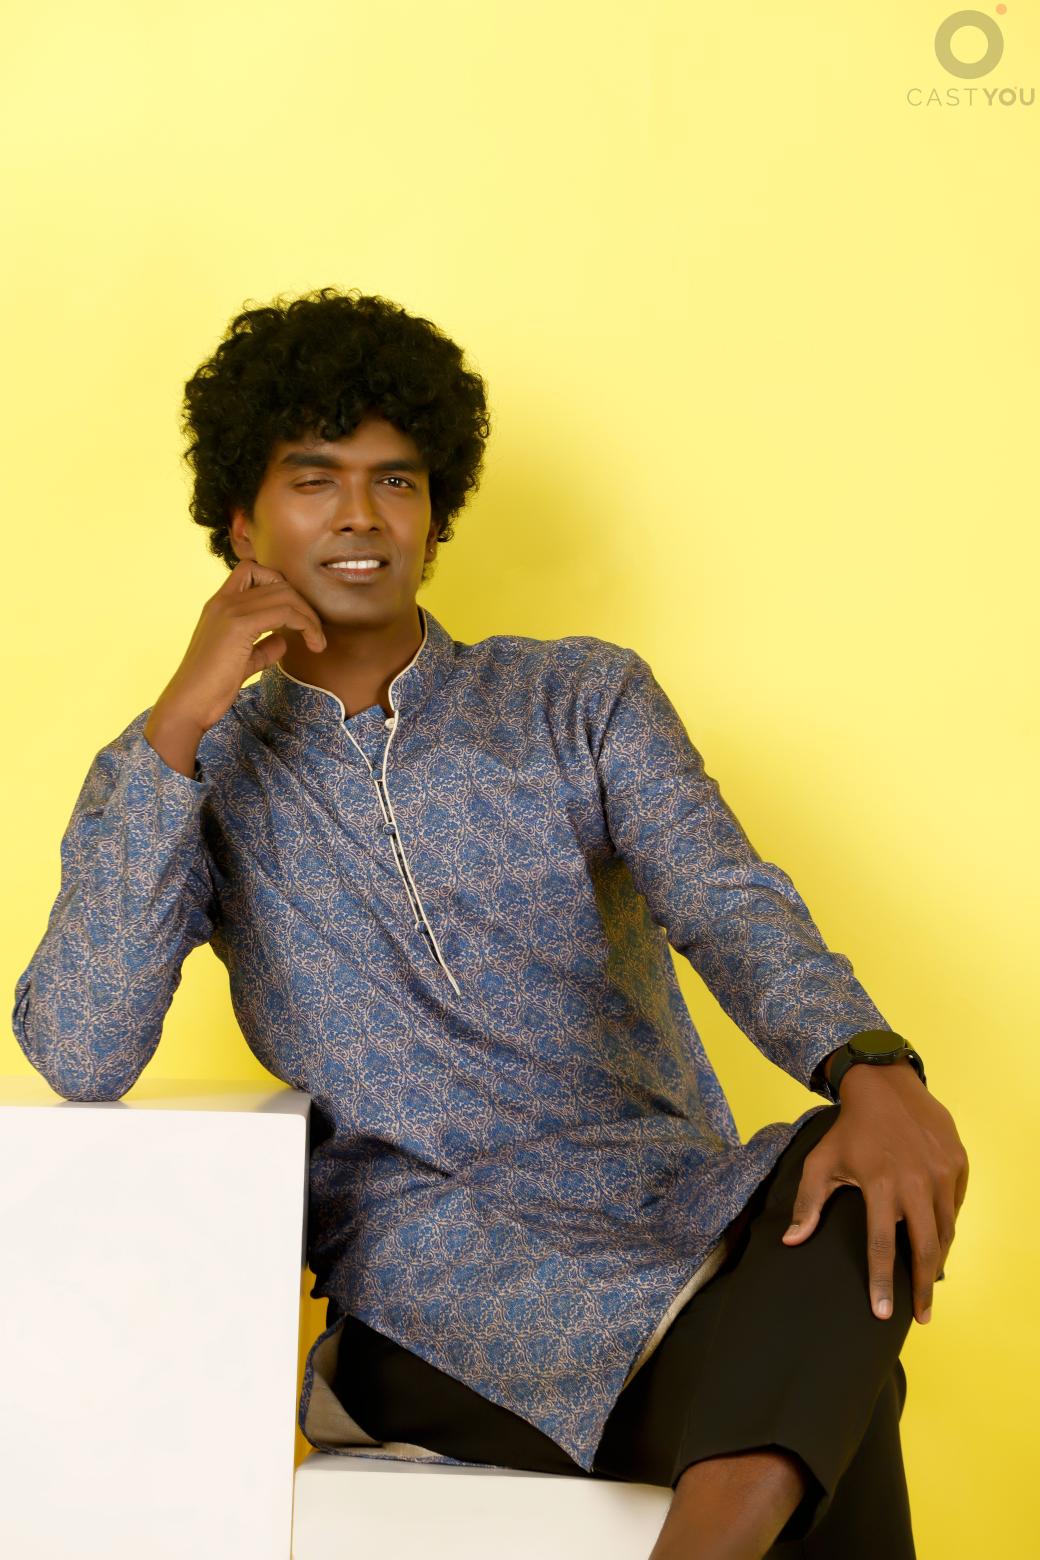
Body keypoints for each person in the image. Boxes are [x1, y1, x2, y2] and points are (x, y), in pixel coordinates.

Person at [12, 287, 968, 1560]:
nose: (360, 513)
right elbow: (81, 1049)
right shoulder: (193, 774)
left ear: (434, 511)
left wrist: (870, 1066)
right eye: (314, 479)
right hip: (431, 1275)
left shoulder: (578, 698)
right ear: (241, 522)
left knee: (850, 1186)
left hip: (668, 1211)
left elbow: (727, 901)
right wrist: (180, 718)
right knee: (831, 1384)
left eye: (395, 481)